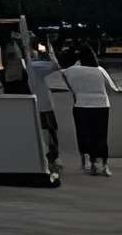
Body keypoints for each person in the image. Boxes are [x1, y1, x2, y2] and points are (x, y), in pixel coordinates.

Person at [61, 46, 118, 176]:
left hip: (81, 105)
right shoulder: (99, 70)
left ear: (79, 58)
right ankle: (104, 165)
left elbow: (63, 79)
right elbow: (112, 88)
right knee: (101, 136)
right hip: (101, 105)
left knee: (84, 134)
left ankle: (90, 162)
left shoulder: (71, 71)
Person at [24, 40, 65, 176]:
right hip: (45, 106)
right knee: (50, 133)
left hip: (36, 105)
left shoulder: (28, 66)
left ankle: (47, 159)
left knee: (43, 133)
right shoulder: (35, 66)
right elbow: (56, 65)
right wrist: (50, 50)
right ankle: (53, 160)